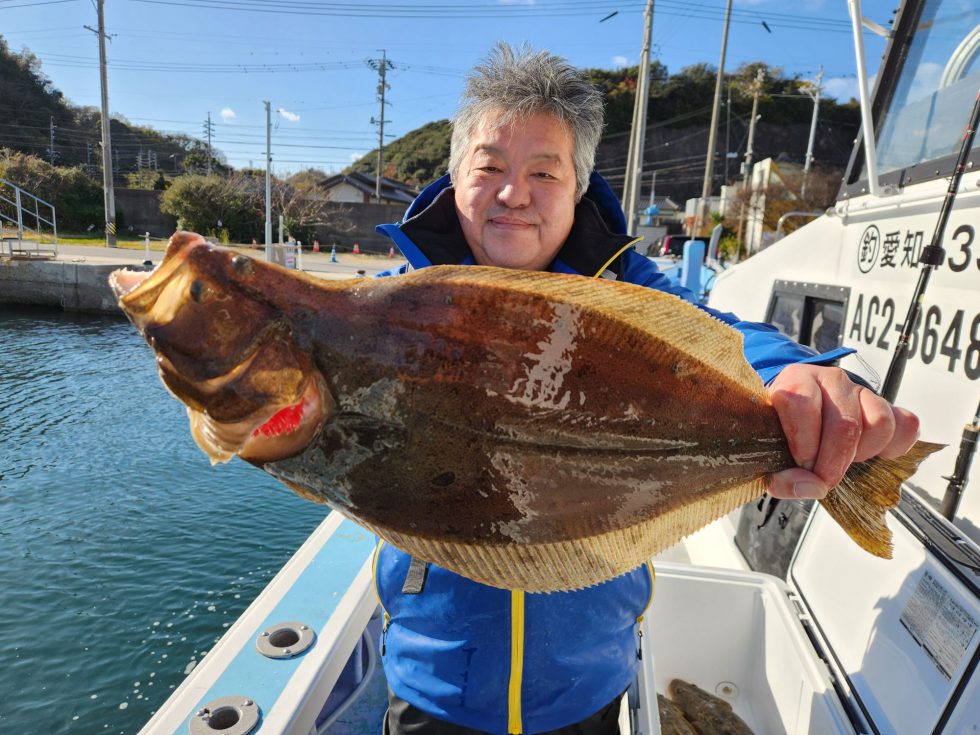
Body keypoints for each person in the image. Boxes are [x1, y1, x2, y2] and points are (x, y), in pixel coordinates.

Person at [374, 43, 919, 735]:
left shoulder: (631, 289)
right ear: (455, 178)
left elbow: (719, 336)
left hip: (588, 682)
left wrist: (800, 375)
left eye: (544, 171)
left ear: (577, 187)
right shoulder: (400, 307)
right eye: (490, 168)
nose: (514, 194)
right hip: (435, 680)